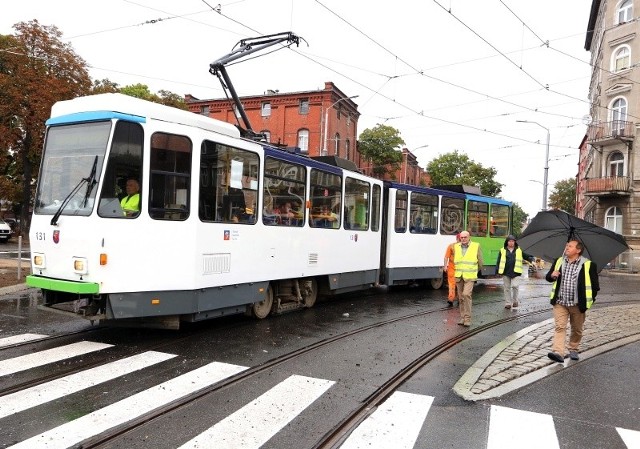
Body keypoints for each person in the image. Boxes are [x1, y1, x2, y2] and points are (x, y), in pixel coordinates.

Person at [546, 239, 600, 363]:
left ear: (578, 250)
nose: (567, 248)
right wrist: (552, 275)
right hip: (560, 302)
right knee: (560, 326)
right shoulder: (559, 261)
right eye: (566, 246)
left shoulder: (589, 265)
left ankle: (573, 348)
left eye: (570, 246)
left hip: (577, 304)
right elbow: (549, 277)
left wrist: (588, 302)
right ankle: (558, 352)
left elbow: (595, 286)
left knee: (577, 329)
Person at [495, 235, 534, 309]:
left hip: (516, 272)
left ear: (515, 242)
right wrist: (497, 270)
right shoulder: (502, 250)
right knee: (506, 288)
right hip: (505, 271)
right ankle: (508, 303)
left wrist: (531, 259)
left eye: (513, 241)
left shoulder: (519, 250)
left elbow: (526, 256)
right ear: (507, 242)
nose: (511, 243)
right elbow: (498, 261)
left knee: (515, 286)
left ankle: (515, 301)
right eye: (509, 241)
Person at [454, 230, 483, 327]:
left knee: (466, 295)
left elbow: (480, 261)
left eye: (465, 237)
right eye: (461, 237)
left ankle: (467, 319)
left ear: (469, 237)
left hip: (470, 276)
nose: (463, 239)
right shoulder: (456, 247)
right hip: (459, 275)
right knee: (461, 297)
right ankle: (462, 318)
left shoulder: (476, 246)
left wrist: (475, 271)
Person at [443, 233, 461, 307]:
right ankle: (460, 299)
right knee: (460, 285)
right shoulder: (464, 247)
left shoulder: (451, 246)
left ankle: (451, 299)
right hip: (460, 269)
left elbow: (446, 257)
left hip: (452, 268)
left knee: (451, 284)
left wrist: (445, 266)